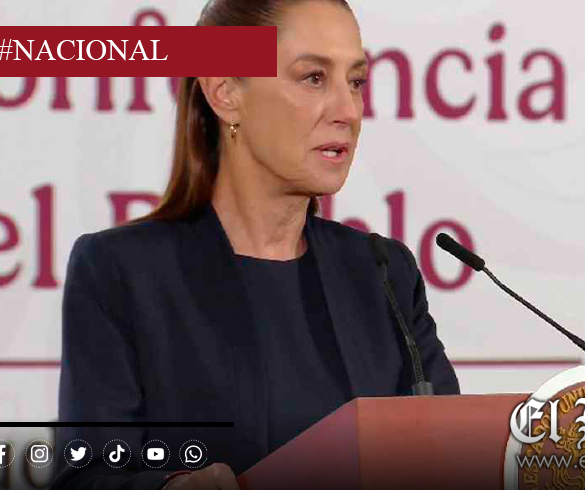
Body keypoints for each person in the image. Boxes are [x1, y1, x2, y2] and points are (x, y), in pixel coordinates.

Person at [53, 1, 460, 488]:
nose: (348, 112)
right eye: (313, 78)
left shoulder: (383, 273)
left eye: (356, 82)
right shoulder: (122, 271)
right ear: (225, 92)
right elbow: (87, 475)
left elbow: (454, 453)